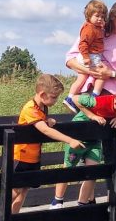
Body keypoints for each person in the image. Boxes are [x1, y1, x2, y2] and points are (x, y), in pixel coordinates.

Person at [51, 86, 116, 207]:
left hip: (95, 140)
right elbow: (75, 98)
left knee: (93, 172)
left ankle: (82, 203)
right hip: (78, 136)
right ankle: (58, 200)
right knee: (68, 168)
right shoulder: (99, 102)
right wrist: (92, 116)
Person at [11, 74, 84, 213]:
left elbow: (40, 123)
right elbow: (44, 130)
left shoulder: (42, 108)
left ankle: (14, 220)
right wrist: (70, 140)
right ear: (42, 94)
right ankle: (2, 220)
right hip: (20, 156)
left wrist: (47, 120)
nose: (56, 100)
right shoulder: (30, 108)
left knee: (25, 189)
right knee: (15, 189)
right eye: (54, 97)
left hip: (33, 156)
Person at [64, 0, 116, 98]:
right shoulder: (93, 30)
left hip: (112, 96)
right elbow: (70, 60)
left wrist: (110, 73)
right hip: (85, 91)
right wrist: (91, 71)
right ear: (112, 17)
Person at [63, 0, 109, 113]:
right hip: (90, 56)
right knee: (102, 74)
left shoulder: (96, 27)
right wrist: (86, 57)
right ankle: (94, 96)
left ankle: (70, 97)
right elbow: (83, 44)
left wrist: (103, 25)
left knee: (81, 78)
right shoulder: (88, 28)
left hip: (90, 56)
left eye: (102, 17)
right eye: (97, 16)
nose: (100, 19)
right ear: (88, 16)